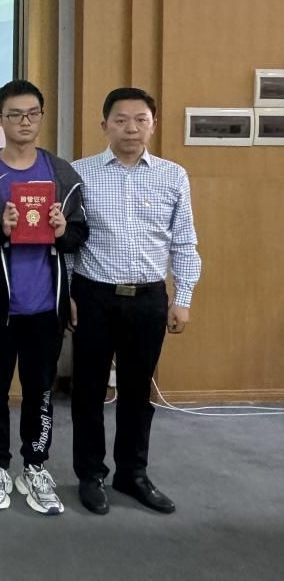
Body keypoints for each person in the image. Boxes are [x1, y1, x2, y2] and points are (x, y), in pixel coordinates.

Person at [0, 79, 88, 515]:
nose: (24, 122)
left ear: (41, 117)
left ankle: (35, 465)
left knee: (39, 391)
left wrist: (63, 231)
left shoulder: (62, 174)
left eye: (32, 114)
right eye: (14, 115)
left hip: (46, 306)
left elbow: (81, 233)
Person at [70, 87, 201, 516]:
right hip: (93, 296)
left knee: (136, 392)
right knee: (89, 391)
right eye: (121, 119)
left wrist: (183, 298)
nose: (131, 128)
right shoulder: (79, 174)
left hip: (147, 298)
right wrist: (66, 294)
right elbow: (67, 243)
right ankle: (90, 474)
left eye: (140, 119)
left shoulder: (172, 175)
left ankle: (132, 473)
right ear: (104, 124)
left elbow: (184, 241)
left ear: (153, 124)